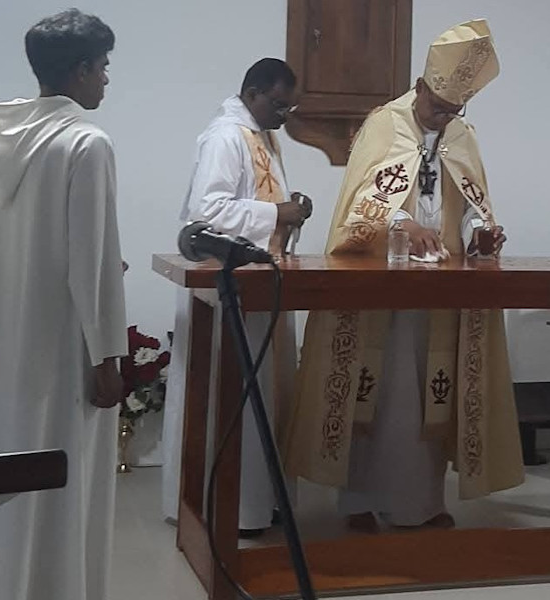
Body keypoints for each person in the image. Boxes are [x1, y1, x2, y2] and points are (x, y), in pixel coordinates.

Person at [283, 19, 523, 533]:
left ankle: (420, 503)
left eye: (452, 110)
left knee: (428, 391)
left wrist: (483, 230)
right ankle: (361, 503)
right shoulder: (383, 124)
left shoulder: (459, 133)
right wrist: (402, 221)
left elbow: (472, 200)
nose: (442, 118)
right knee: (373, 387)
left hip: (438, 292)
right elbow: (359, 201)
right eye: (436, 106)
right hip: (380, 287)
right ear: (419, 88)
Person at [0, 9, 127, 600]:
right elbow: (90, 265)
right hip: (68, 343)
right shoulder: (86, 143)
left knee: (10, 474)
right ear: (81, 70)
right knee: (67, 476)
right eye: (104, 68)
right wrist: (108, 358)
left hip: (7, 337)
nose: (106, 80)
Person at [162, 58, 313, 536]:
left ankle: (257, 502)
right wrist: (278, 213)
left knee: (263, 398)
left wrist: (291, 210)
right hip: (228, 290)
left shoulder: (261, 136)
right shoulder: (226, 136)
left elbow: (260, 203)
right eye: (277, 104)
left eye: (289, 107)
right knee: (233, 400)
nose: (283, 115)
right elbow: (207, 213)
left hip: (259, 286)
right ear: (251, 92)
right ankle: (225, 507)